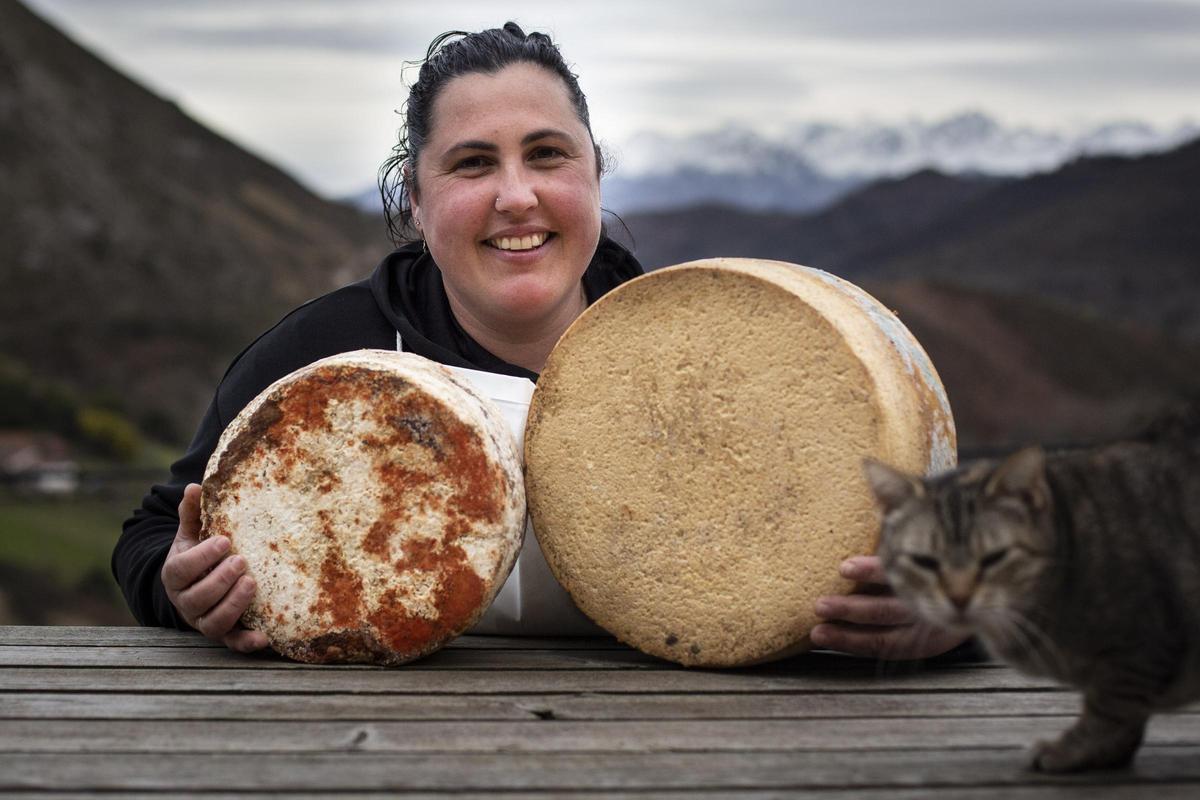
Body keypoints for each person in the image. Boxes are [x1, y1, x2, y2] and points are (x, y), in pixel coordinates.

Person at [112, 22, 967, 661]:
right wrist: (181, 588)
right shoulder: (322, 359)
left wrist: (943, 624)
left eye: (548, 155)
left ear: (595, 172)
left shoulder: (717, 353)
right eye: (473, 163)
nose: (516, 196)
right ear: (417, 196)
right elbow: (154, 537)